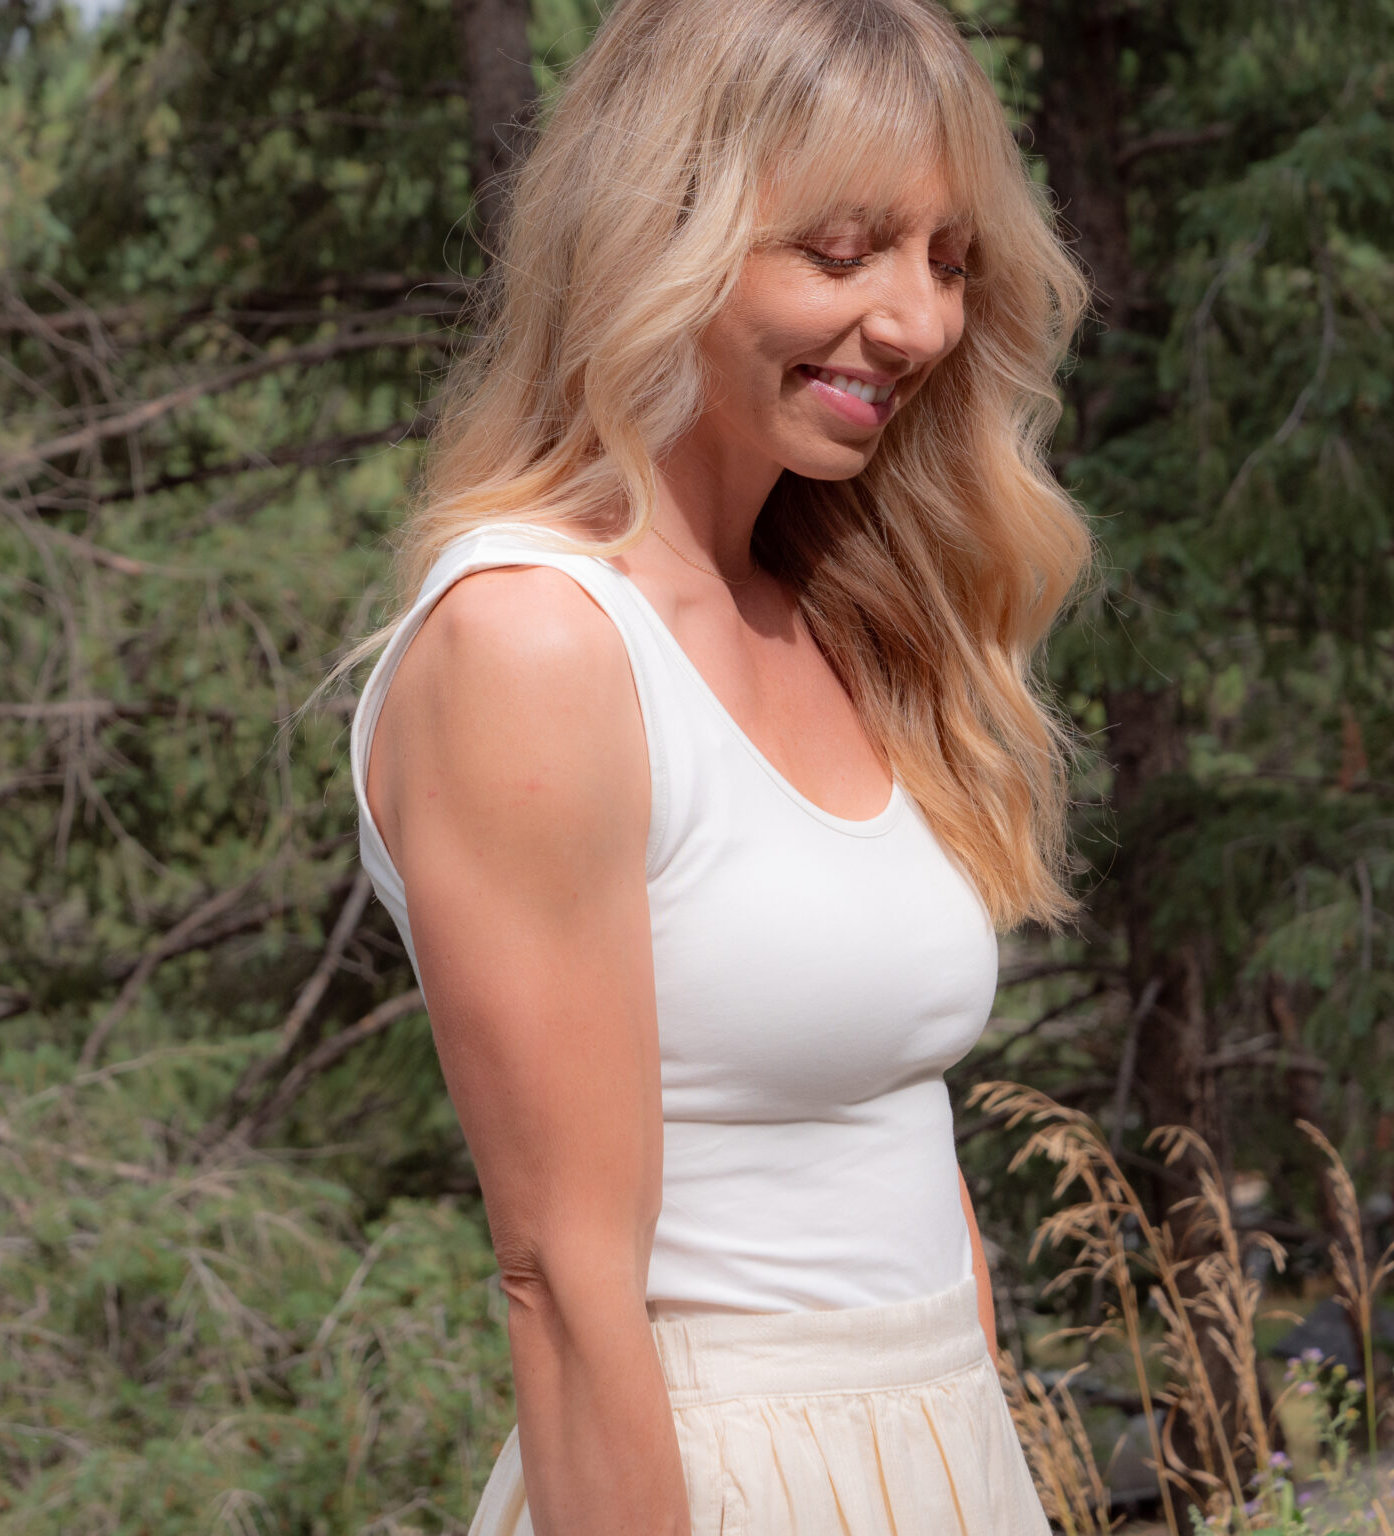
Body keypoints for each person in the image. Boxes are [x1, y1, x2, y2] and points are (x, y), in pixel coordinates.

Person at [344, 0, 1090, 1528]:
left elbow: (902, 1141)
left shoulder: (836, 614)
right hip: (710, 1480)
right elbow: (563, 1285)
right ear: (657, 231)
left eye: (950, 260)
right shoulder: (536, 644)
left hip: (941, 1458)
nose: (920, 324)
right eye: (842, 251)